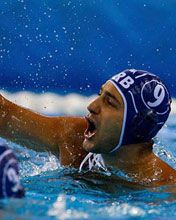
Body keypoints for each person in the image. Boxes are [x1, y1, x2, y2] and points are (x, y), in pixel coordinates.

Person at [0, 69, 175, 188]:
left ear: (136, 126)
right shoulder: (73, 138)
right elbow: (5, 116)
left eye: (110, 102)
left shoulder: (166, 189)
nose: (92, 106)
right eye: (100, 95)